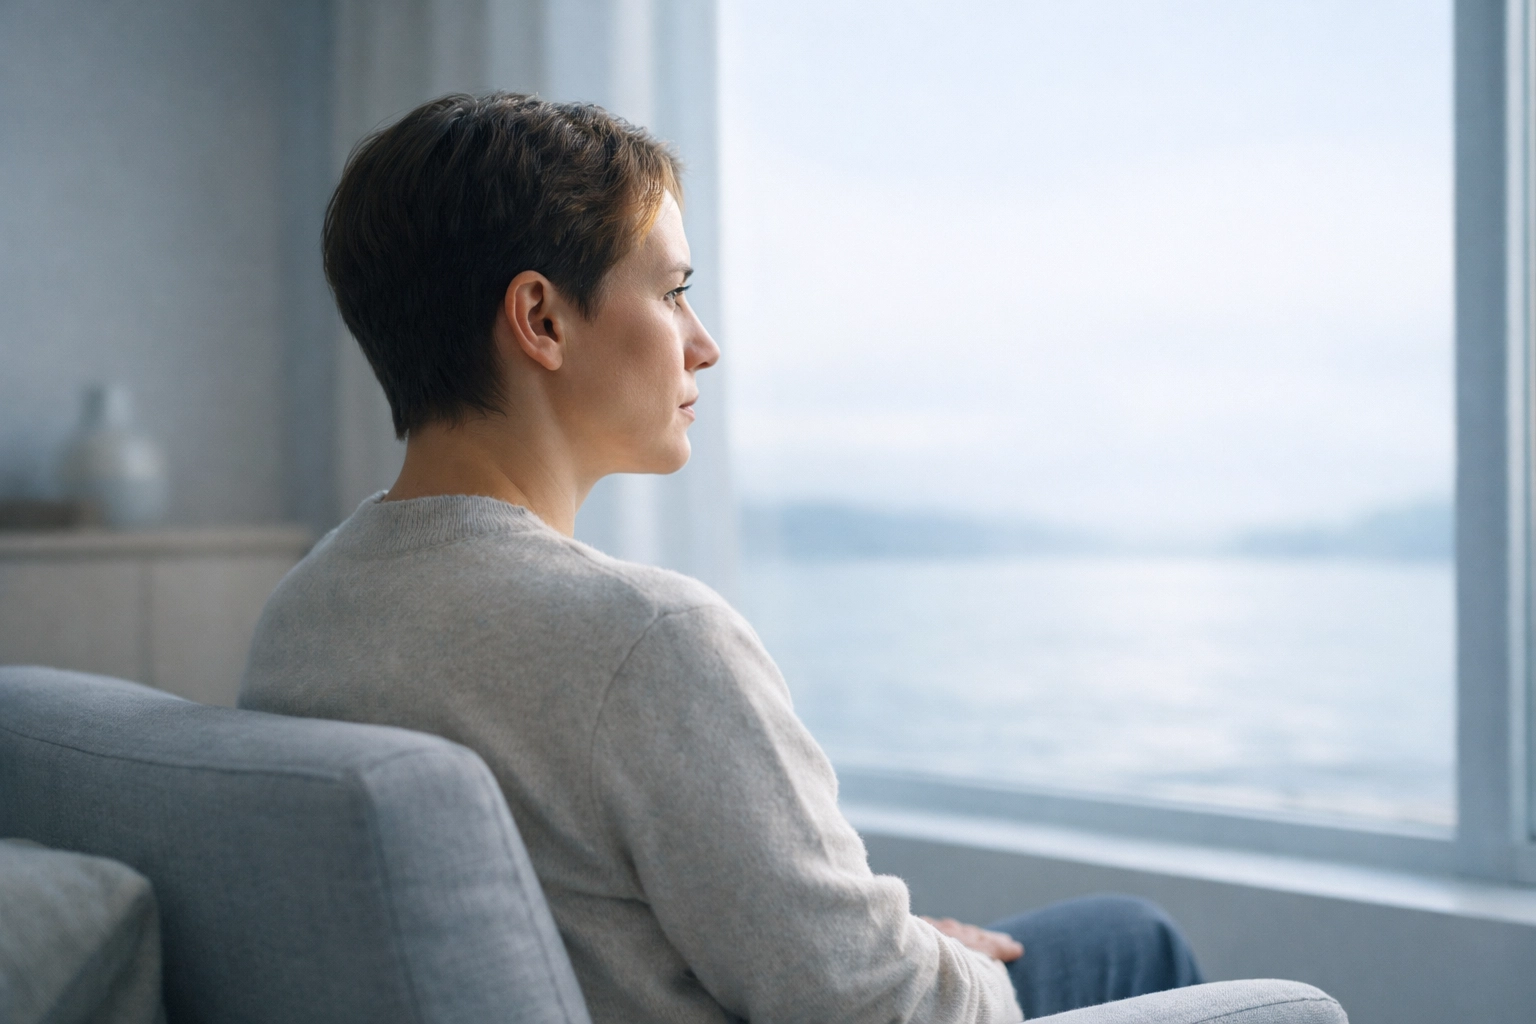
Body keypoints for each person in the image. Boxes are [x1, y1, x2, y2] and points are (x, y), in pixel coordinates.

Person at [240, 92, 1203, 1024]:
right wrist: (929, 965)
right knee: (1132, 937)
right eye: (672, 292)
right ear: (541, 320)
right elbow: (880, 1011)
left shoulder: (307, 611)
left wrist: (892, 949)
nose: (704, 346)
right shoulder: (647, 641)